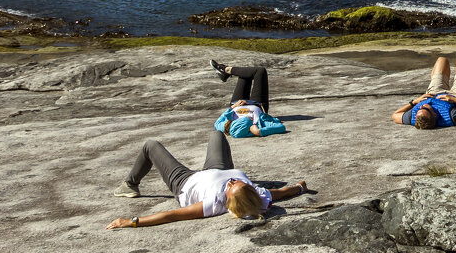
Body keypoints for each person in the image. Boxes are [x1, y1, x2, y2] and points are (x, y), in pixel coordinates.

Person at [106, 129, 307, 229]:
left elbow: (171, 215)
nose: (232, 182)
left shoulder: (214, 203)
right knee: (217, 134)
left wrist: (131, 222)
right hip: (217, 168)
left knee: (150, 145)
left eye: (231, 186)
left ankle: (129, 185)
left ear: (228, 200)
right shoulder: (260, 196)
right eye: (237, 183)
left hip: (185, 181)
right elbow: (281, 193)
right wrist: (299, 188)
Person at [391, 56, 456, 129]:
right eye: (425, 109)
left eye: (419, 109)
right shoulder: (452, 116)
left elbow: (395, 115)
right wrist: (455, 100)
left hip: (434, 93)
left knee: (441, 60)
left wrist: (414, 102)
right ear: (434, 115)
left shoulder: (415, 117)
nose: (421, 106)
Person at [210, 60, 286, 138]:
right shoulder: (258, 125)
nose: (248, 117)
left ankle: (225, 71)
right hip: (257, 104)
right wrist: (259, 132)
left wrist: (233, 107)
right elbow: (281, 127)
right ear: (250, 127)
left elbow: (217, 123)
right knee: (260, 71)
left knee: (244, 76)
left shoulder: (224, 126)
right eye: (250, 119)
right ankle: (226, 70)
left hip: (237, 104)